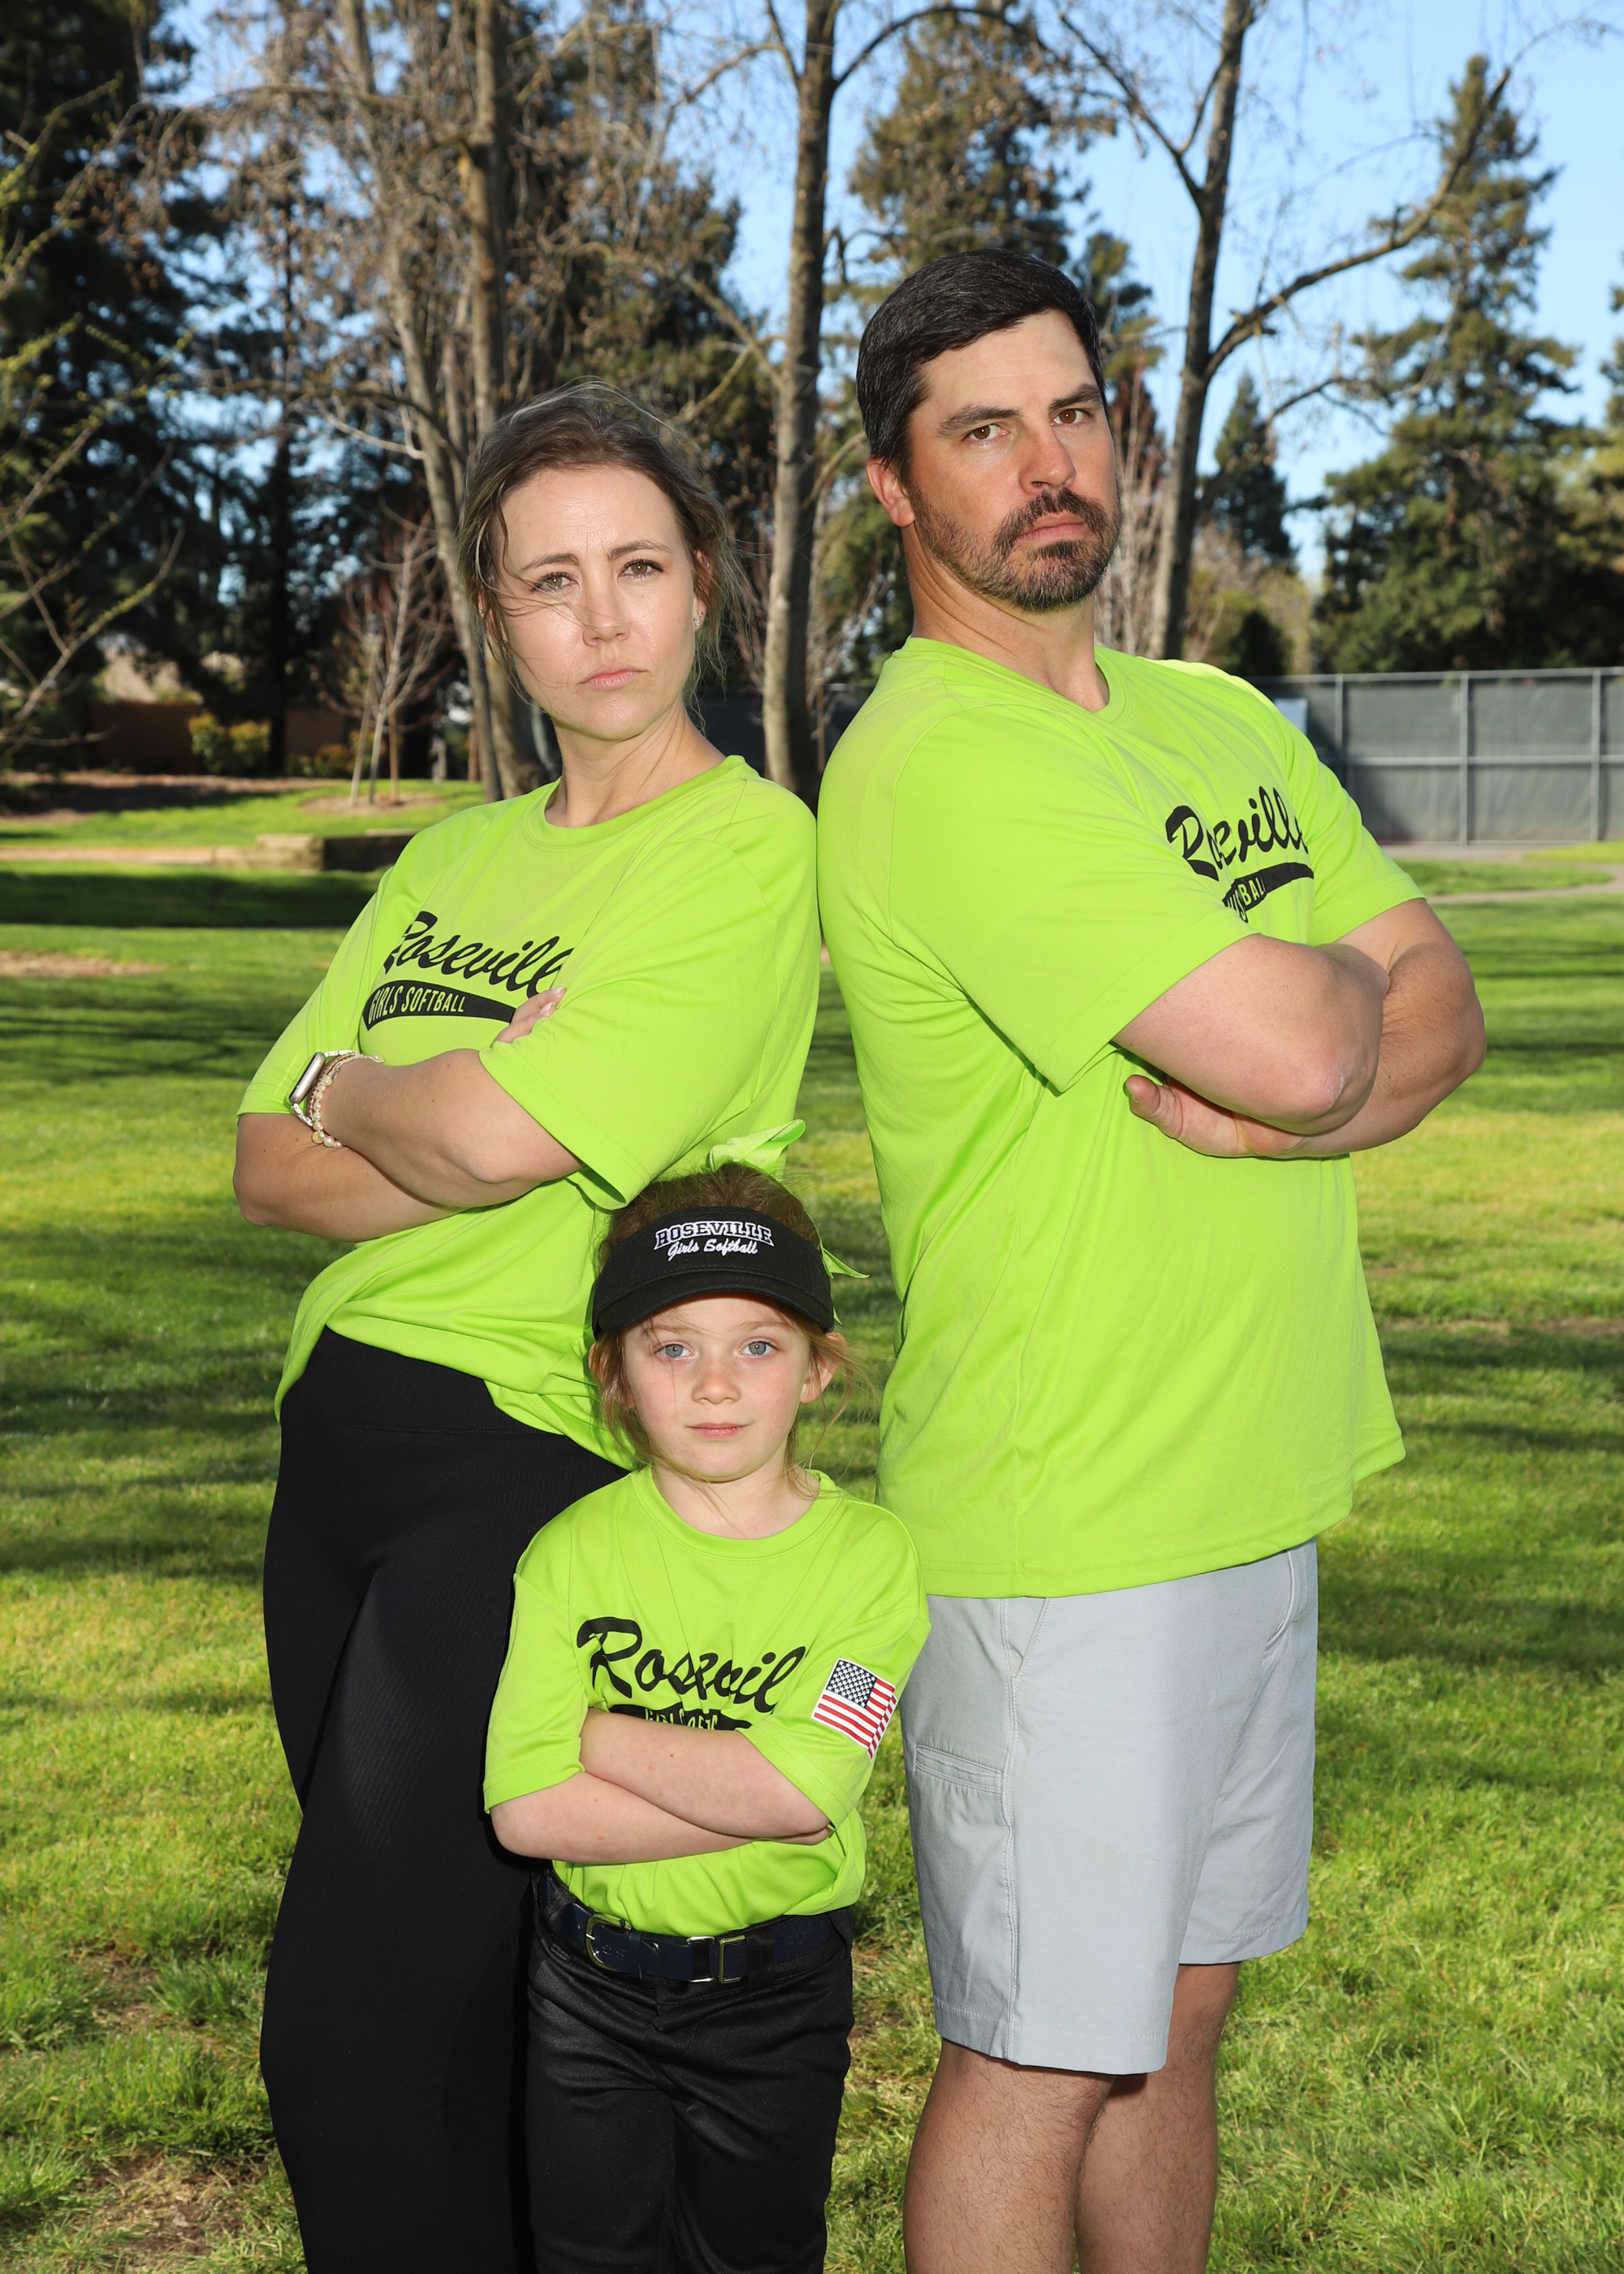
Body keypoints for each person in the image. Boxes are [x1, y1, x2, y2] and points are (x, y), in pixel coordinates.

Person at [815, 249, 1487, 2274]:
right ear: (894, 484)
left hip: (1249, 1485)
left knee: (1176, 2026)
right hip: (1067, 1531)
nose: (1048, 463)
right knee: (1037, 2055)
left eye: (1075, 411)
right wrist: (1322, 1026)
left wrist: (1303, 1082)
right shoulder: (938, 757)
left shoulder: (1213, 717)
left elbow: (1440, 1007)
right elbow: (1313, 1030)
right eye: (982, 428)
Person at [233, 393, 820, 2274]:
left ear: (704, 581)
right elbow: (265, 1163)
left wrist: (367, 1088)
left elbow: (477, 1138)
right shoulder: (451, 859)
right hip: (335, 1449)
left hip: (521, 1464)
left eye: (637, 565)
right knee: (467, 2022)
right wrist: (426, 1102)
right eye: (550, 580)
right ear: (496, 616)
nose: (602, 616)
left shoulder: (745, 851)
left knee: (346, 2042)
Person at [484, 1164, 928, 2274]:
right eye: (672, 1348)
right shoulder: (570, 1553)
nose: (717, 1385)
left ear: (818, 1368)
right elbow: (527, 1814)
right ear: (615, 1374)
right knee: (587, 2255)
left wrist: (597, 1737)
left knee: (754, 2256)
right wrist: (754, 1791)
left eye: (759, 1346)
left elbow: (805, 1791)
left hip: (776, 1998)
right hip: (585, 1993)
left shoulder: (870, 1560)